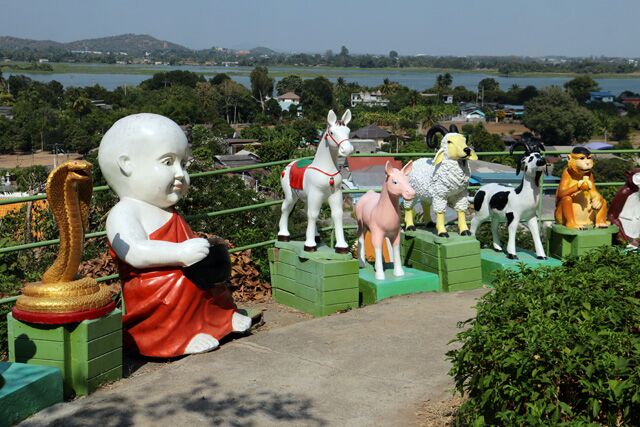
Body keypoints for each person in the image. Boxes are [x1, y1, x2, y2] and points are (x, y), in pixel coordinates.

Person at [98, 113, 251, 358]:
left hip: (182, 267)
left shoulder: (168, 210)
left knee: (211, 278)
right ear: (127, 165)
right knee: (181, 280)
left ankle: (221, 318)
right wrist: (179, 253)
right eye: (168, 162)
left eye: (183, 165)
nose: (180, 174)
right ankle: (179, 336)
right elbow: (134, 251)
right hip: (154, 287)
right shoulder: (124, 211)